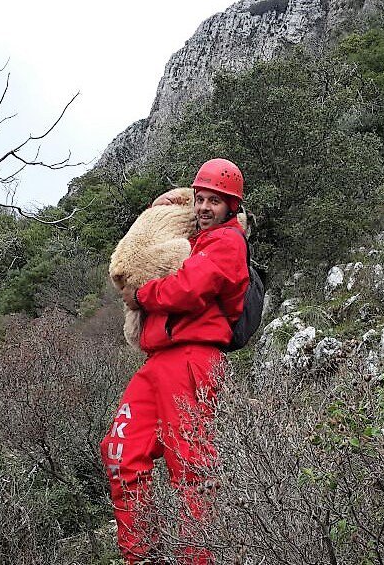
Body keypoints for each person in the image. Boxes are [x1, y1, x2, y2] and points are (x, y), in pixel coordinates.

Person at [100, 158, 250, 564]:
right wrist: (164, 202)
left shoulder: (228, 242)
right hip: (159, 361)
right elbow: (159, 224)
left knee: (191, 467)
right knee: (119, 449)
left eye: (214, 201)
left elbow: (189, 288)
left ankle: (198, 558)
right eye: (200, 199)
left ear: (231, 206)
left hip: (193, 359)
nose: (204, 207)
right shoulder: (197, 237)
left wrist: (142, 294)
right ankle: (140, 555)